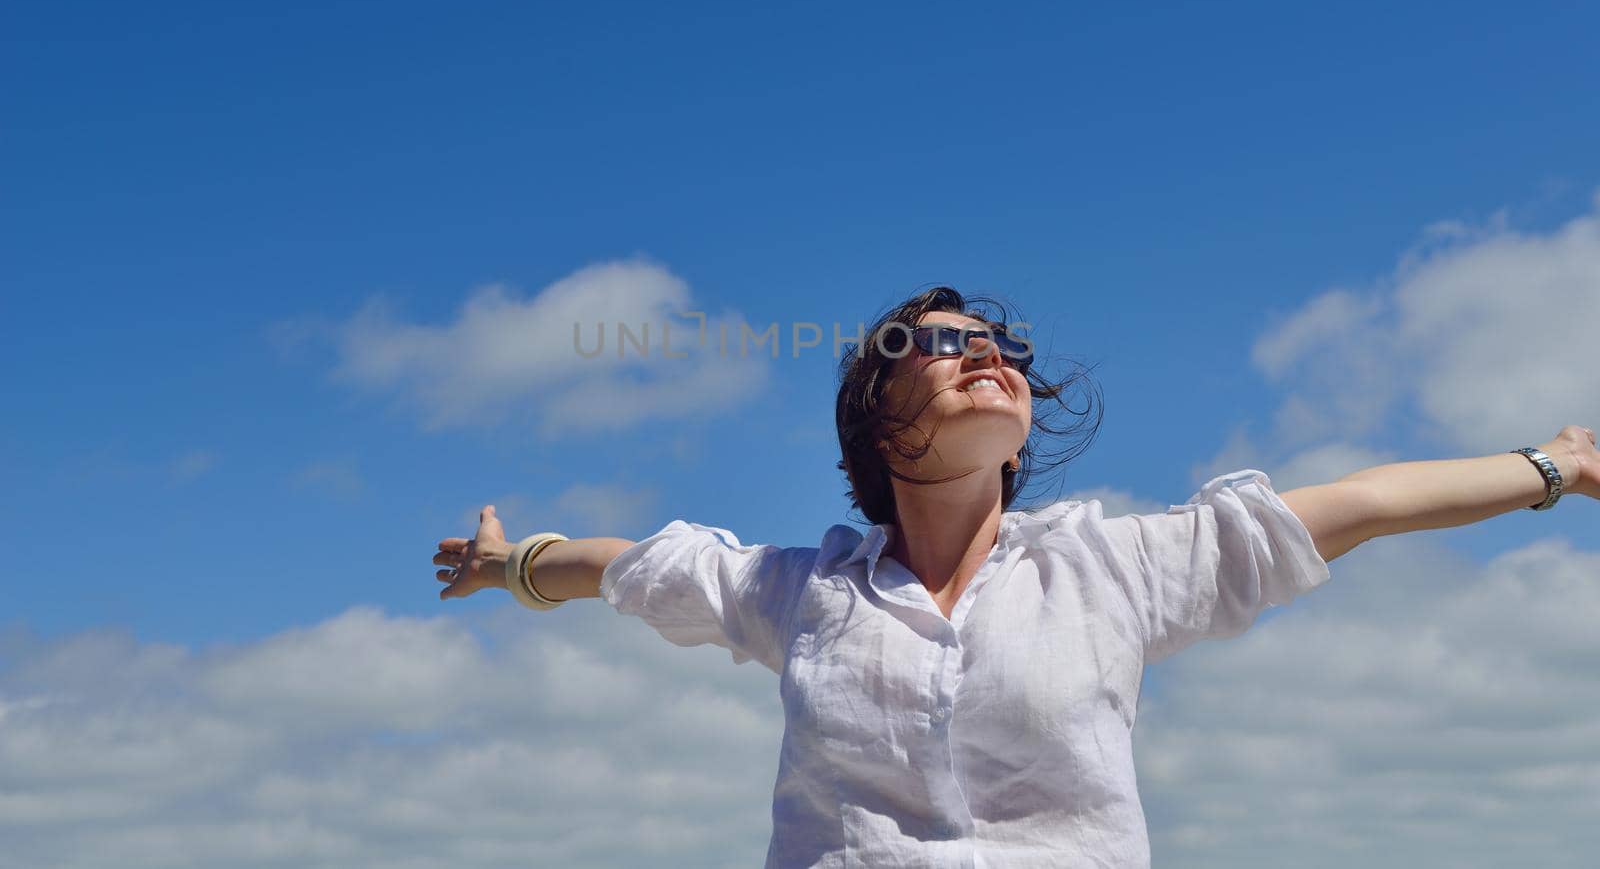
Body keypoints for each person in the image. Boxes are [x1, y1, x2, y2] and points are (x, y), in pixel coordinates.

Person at [432, 285, 1599, 868]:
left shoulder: (1112, 568)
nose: (983, 351)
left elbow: (1352, 508)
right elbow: (628, 568)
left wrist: (1553, 465)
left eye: (999, 349)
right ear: (876, 428)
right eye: (938, 345)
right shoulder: (798, 593)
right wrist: (508, 565)